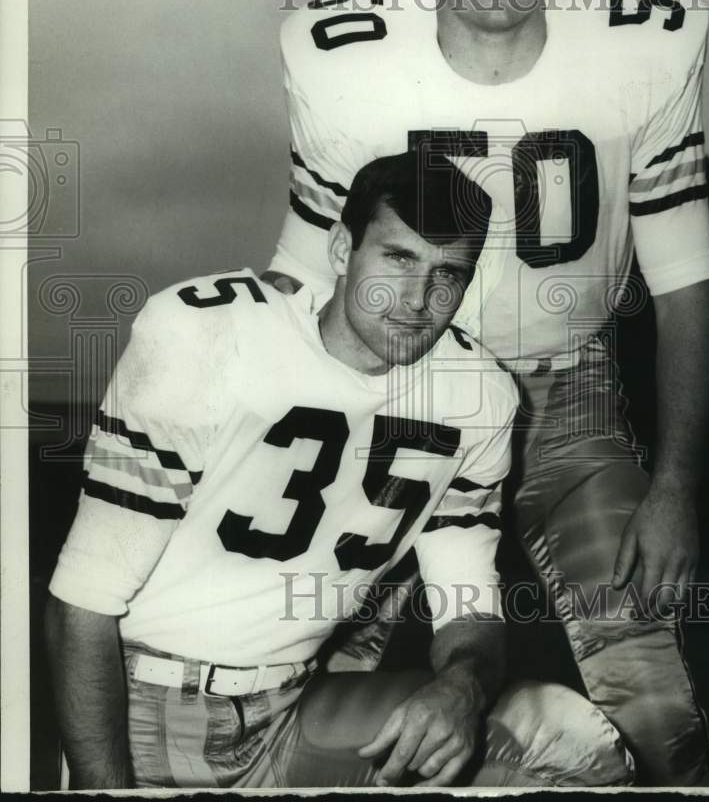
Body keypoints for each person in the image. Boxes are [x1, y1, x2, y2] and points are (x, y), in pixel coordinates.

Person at [263, 0, 709, 786]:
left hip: (570, 397)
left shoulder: (645, 46)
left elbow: (688, 286)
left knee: (653, 700)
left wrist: (675, 485)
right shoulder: (345, 64)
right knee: (303, 673)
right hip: (404, 400)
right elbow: (303, 280)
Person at [44, 153, 634, 790]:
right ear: (340, 247)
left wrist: (461, 685)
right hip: (143, 707)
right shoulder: (208, 335)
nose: (418, 301)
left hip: (293, 712)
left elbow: (467, 598)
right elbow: (80, 605)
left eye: (448, 274)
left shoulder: (477, 394)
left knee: (569, 741)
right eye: (398, 258)